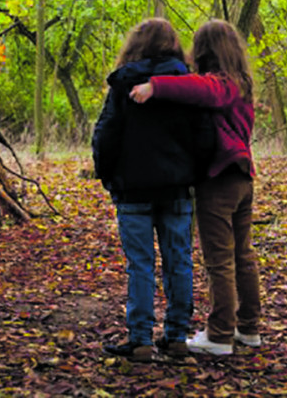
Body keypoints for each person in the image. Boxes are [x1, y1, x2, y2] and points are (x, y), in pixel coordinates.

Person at [129, 19, 262, 356]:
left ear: (205, 50)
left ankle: (219, 336)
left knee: (220, 259)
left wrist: (155, 86)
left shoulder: (222, 84)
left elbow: (202, 89)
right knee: (242, 256)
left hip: (221, 179)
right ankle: (248, 329)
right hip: (242, 176)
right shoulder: (242, 83)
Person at [92, 18, 212, 362]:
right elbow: (203, 136)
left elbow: (106, 134)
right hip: (175, 188)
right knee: (179, 261)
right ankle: (176, 337)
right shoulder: (187, 86)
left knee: (140, 264)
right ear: (173, 45)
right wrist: (194, 175)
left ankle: (141, 339)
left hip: (132, 190)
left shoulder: (123, 84)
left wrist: (109, 176)